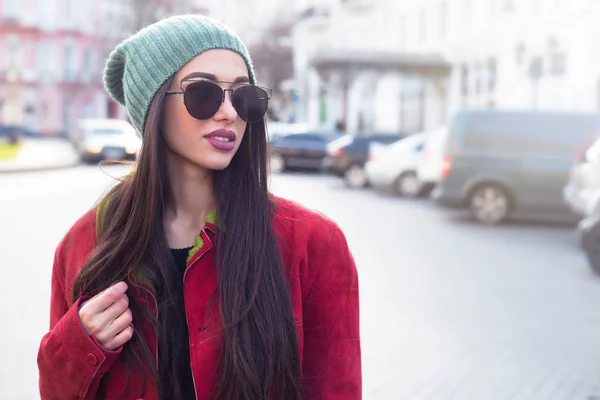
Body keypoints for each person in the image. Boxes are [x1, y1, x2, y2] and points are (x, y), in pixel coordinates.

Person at [37, 14, 361, 400]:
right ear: (153, 106)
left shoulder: (312, 243)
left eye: (244, 97)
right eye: (203, 93)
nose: (229, 113)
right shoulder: (87, 242)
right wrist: (81, 344)